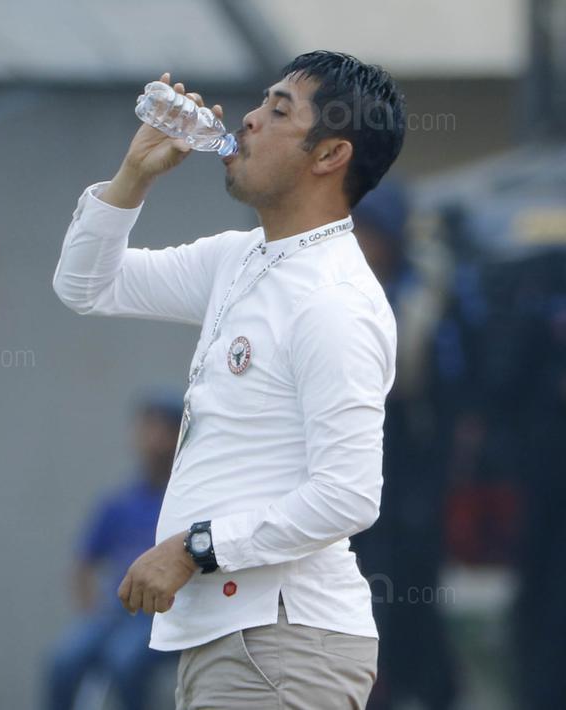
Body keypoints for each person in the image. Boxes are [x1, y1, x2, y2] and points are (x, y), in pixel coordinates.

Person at [52, 51, 405, 708]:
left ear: (328, 155)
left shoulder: (333, 300)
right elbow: (84, 286)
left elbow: (348, 496)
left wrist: (193, 548)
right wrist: (133, 175)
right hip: (238, 638)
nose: (245, 120)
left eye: (276, 111)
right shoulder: (239, 258)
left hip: (282, 641)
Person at [349, 181, 459, 710]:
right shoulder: (339, 291)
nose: (363, 243)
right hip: (352, 480)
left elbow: (444, 400)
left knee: (409, 610)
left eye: (371, 232)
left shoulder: (423, 303)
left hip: (409, 482)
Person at [45, 396, 181, 710]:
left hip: (160, 617)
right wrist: (90, 614)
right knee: (63, 661)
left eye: (162, 428)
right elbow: (83, 562)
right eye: (146, 427)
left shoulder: (181, 501)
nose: (151, 438)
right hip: (115, 614)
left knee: (123, 661)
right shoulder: (117, 503)